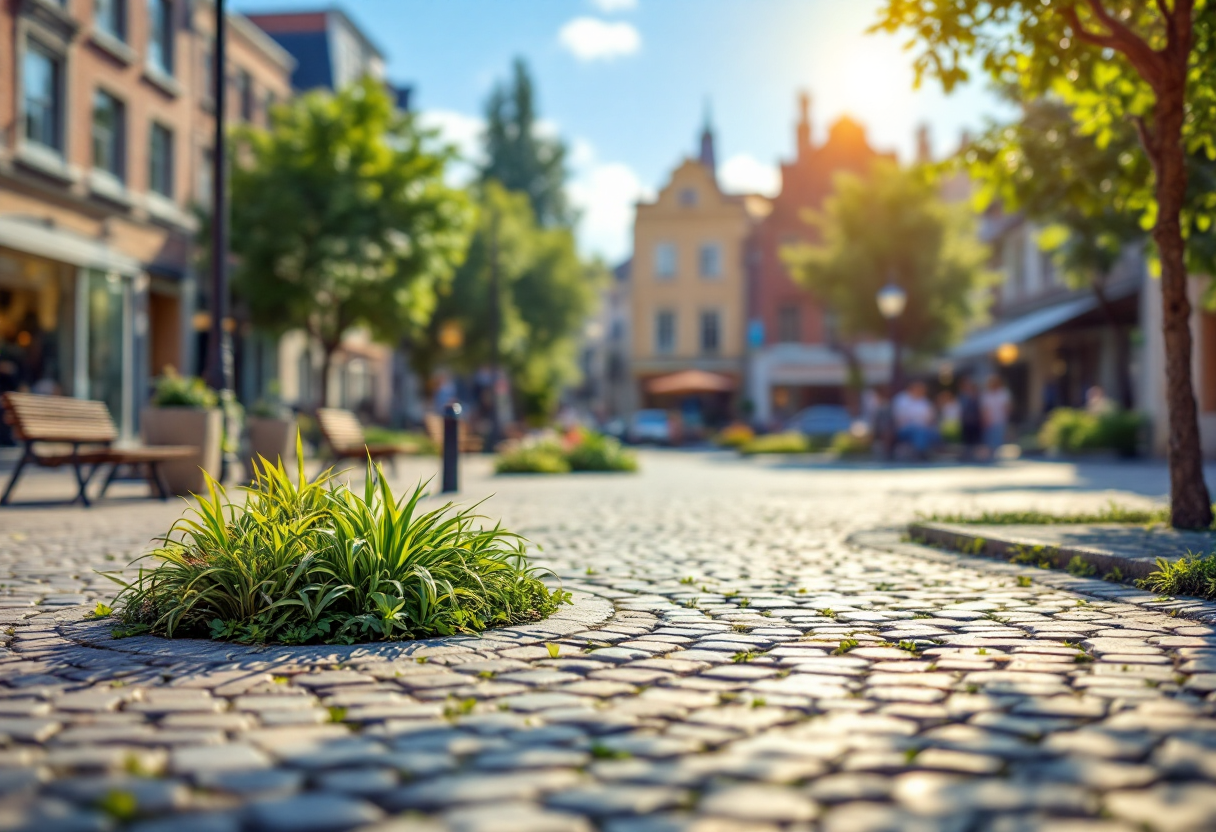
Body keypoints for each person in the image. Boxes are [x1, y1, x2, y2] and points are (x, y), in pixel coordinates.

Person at [893, 381, 938, 459]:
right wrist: (917, 422)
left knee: (930, 432)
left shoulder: (925, 401)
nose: (923, 391)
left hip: (924, 429)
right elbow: (900, 419)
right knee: (918, 431)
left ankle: (922, 452)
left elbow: (931, 418)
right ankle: (920, 453)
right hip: (906, 429)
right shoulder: (902, 399)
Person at [981, 375, 1011, 458]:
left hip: (1000, 420)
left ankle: (998, 454)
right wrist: (985, 419)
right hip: (990, 421)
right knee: (990, 439)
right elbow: (985, 409)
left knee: (999, 439)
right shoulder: (986, 394)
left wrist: (1007, 417)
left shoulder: (1003, 393)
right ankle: (991, 454)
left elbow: (1007, 407)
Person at [958, 377, 983, 460]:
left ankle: (975, 455)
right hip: (965, 421)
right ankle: (967, 455)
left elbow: (980, 408)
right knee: (966, 439)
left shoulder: (976, 395)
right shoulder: (962, 396)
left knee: (976, 439)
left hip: (975, 421)